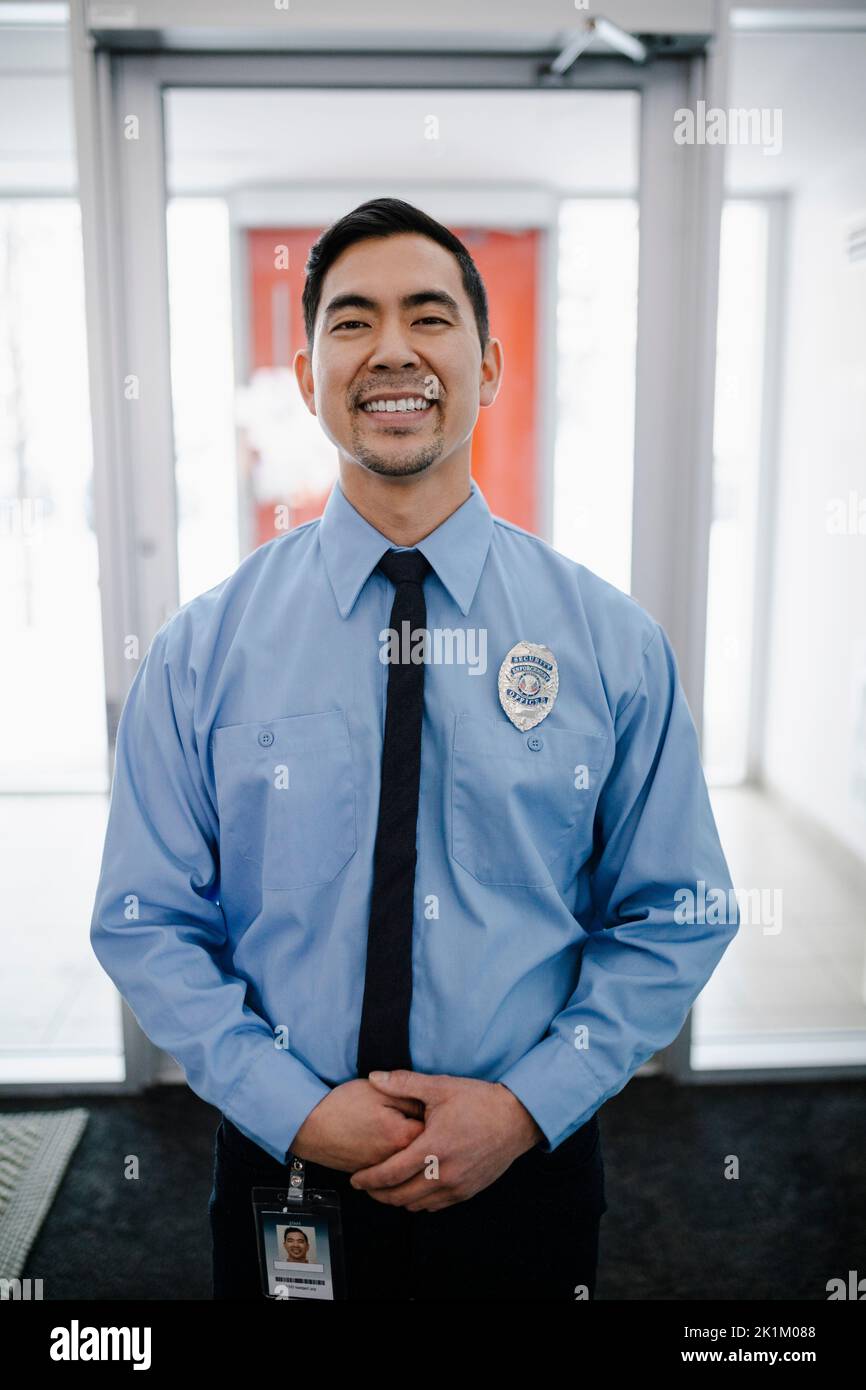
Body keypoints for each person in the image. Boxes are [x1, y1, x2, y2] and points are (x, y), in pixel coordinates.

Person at [90, 196, 740, 1302]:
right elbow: (145, 920)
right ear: (307, 378)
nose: (391, 348)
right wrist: (295, 1107)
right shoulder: (203, 648)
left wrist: (525, 1103)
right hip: (283, 1165)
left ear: (486, 367)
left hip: (521, 1168)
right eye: (350, 322)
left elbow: (675, 912)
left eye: (428, 316)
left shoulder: (608, 642)